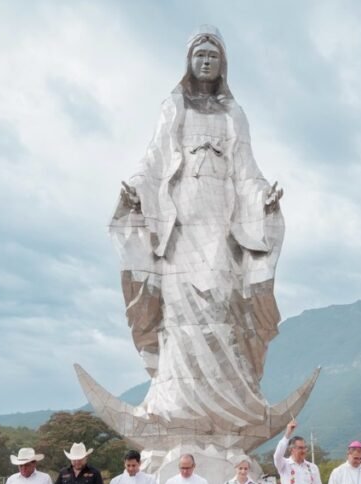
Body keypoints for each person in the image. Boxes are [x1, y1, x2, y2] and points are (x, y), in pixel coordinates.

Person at [111, 24, 285, 430]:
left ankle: (229, 401)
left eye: (213, 56)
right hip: (181, 218)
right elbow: (153, 160)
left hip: (221, 217)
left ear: (223, 64)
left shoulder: (233, 114)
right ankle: (174, 401)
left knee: (221, 298)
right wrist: (137, 189)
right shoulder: (175, 107)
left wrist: (263, 198)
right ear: (188, 61)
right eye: (200, 55)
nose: (206, 61)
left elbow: (247, 171)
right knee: (177, 303)